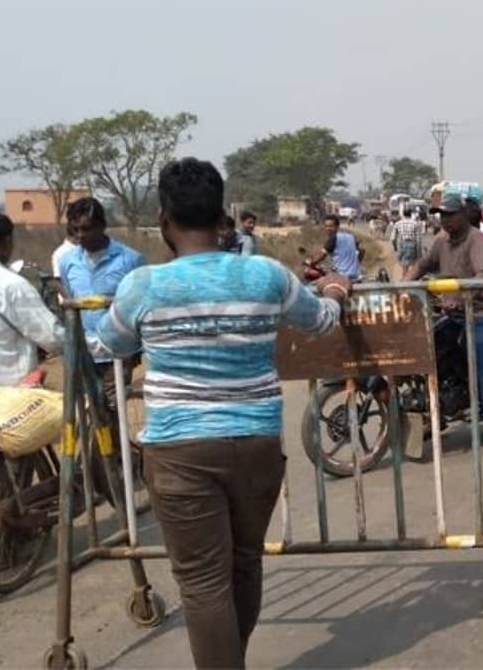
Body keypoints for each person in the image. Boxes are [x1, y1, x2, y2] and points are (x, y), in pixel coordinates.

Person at [96, 158, 349, 669]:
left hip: (179, 449)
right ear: (221, 219)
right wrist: (336, 291)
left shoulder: (143, 285)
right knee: (244, 564)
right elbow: (320, 321)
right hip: (256, 443)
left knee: (203, 583)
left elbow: (110, 343)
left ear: (164, 220)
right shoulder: (266, 275)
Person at [408, 195, 483, 457]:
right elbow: (423, 264)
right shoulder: (442, 240)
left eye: (450, 214)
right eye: (442, 215)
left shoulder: (476, 239)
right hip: (451, 313)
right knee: (430, 351)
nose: (446, 220)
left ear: (463, 215)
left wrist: (462, 298)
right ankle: (436, 411)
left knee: (482, 364)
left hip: (480, 312)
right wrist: (403, 285)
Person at [59, 197, 146, 416]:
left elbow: (140, 305)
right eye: (76, 229)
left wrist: (137, 348)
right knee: (91, 412)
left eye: (86, 229)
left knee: (114, 409)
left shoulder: (130, 260)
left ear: (102, 225)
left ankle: (116, 439)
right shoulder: (67, 261)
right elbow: (70, 300)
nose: (80, 235)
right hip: (84, 352)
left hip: (117, 351)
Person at [0, 212, 64, 389]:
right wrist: (89, 343)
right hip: (10, 394)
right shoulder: (12, 285)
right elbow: (52, 337)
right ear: (7, 242)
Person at [319, 213, 363, 281]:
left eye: (331, 226)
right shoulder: (351, 236)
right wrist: (355, 264)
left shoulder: (333, 238)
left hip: (340, 275)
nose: (328, 229)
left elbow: (321, 256)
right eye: (326, 226)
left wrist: (311, 262)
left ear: (337, 227)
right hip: (355, 275)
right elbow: (362, 251)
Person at [392, 208, 422, 278]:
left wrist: (395, 248)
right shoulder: (415, 224)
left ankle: (405, 281)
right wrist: (419, 253)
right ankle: (411, 280)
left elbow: (393, 238)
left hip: (402, 245)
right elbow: (418, 240)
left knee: (404, 267)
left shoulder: (398, 223)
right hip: (412, 245)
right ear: (411, 214)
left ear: (403, 214)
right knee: (414, 267)